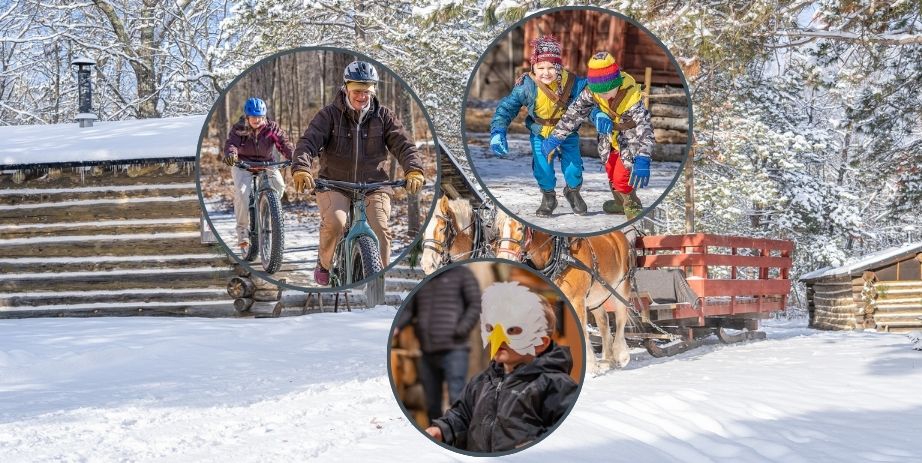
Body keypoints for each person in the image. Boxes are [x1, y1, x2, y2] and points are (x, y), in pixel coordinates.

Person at [291, 60, 425, 285]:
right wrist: (301, 168)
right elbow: (308, 142)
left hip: (374, 185)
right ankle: (324, 264)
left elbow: (404, 145)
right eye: (357, 91)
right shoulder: (329, 115)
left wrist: (414, 170)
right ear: (345, 88)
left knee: (381, 230)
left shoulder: (383, 116)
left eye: (367, 91)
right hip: (334, 183)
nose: (362, 96)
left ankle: (377, 284)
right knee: (335, 223)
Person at [426, 281, 578, 453]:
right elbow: (461, 415)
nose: (499, 338)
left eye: (512, 330)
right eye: (492, 328)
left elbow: (566, 438)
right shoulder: (481, 381)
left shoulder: (555, 386)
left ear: (540, 343)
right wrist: (441, 430)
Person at [489, 35, 596, 216]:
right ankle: (548, 197)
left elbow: (590, 103)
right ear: (533, 68)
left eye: (551, 67)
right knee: (543, 169)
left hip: (567, 132)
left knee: (574, 168)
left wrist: (597, 116)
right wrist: (498, 130)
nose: (546, 72)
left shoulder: (573, 83)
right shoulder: (526, 85)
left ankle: (573, 191)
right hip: (540, 132)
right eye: (541, 68)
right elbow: (507, 108)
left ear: (559, 66)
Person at [542, 51, 655, 220]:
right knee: (610, 171)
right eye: (599, 93)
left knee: (621, 178)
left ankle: (632, 205)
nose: (602, 96)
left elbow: (645, 128)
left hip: (631, 142)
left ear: (616, 82)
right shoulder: (593, 91)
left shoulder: (632, 97)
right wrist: (555, 138)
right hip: (609, 140)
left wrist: (643, 158)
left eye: (607, 91)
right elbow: (573, 114)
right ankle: (619, 203)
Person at [394, 266, 482, 423]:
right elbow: (408, 310)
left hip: (455, 349)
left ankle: (461, 440)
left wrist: (461, 329)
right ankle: (438, 439)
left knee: (457, 398)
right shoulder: (423, 280)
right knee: (432, 403)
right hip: (427, 350)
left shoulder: (462, 274)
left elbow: (475, 304)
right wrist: (397, 327)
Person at [222, 97, 294, 255]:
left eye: (260, 117)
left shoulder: (271, 128)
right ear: (247, 117)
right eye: (253, 117)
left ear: (264, 116)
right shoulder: (239, 128)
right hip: (243, 165)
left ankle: (268, 209)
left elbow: (284, 143)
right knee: (242, 194)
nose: (257, 120)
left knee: (280, 185)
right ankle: (242, 233)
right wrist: (231, 155)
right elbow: (231, 144)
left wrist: (293, 156)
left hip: (266, 163)